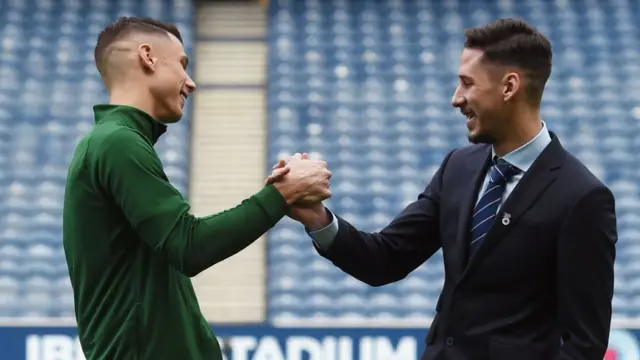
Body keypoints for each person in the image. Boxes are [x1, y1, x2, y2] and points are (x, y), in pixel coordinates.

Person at [270, 18, 617, 360]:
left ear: (509, 87)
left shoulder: (582, 198)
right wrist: (317, 218)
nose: (456, 99)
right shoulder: (459, 167)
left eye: (467, 83)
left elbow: (584, 345)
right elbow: (385, 259)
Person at [62, 17, 332, 360]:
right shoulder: (117, 143)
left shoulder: (114, 142)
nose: (190, 83)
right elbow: (188, 246)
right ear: (147, 56)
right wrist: (283, 194)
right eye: (182, 65)